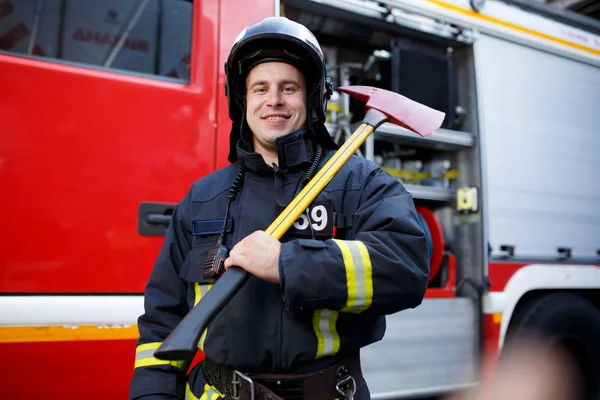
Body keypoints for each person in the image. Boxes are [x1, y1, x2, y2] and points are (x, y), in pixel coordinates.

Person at [128, 16, 430, 400]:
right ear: (243, 101)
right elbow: (162, 320)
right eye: (260, 88)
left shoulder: (358, 183)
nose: (274, 100)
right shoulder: (203, 198)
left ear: (313, 97)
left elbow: (406, 267)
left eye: (289, 88)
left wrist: (288, 263)